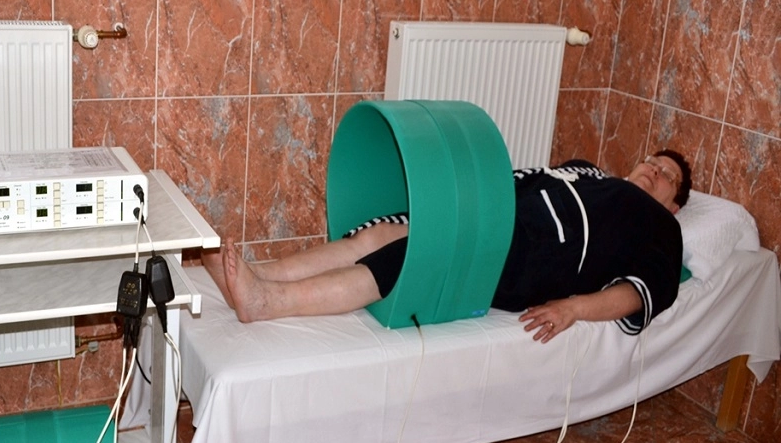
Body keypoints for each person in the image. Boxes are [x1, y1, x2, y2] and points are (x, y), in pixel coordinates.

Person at [204, 150, 692, 343]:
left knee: (415, 258)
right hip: (496, 214)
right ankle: (262, 274)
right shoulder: (592, 173)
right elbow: (524, 179)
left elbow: (642, 290)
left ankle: (267, 302)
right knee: (380, 234)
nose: (655, 170)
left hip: (538, 252)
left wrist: (574, 308)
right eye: (652, 161)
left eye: (667, 175)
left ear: (673, 205)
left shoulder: (662, 228)